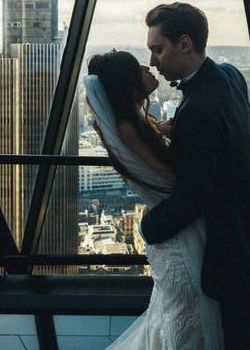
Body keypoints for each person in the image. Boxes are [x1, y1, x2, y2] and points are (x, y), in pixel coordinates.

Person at [140, 2, 250, 349]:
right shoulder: (229, 73)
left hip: (229, 250)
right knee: (244, 333)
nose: (154, 61)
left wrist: (149, 227)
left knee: (236, 341)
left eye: (158, 49)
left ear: (184, 43)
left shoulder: (198, 110)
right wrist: (182, 132)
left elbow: (193, 196)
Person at [85, 49, 223, 349]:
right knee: (185, 319)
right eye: (139, 69)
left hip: (173, 229)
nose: (149, 67)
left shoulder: (136, 120)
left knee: (174, 319)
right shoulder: (128, 128)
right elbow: (169, 178)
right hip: (177, 238)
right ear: (129, 83)